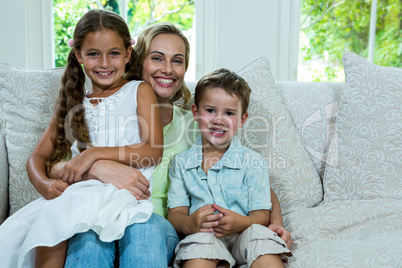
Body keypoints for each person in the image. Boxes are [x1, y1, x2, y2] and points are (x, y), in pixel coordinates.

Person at [36, 21, 291, 266]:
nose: (167, 69)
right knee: (89, 242)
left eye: (177, 60)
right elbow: (58, 160)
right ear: (136, 59)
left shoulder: (200, 123)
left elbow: (246, 177)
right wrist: (94, 165)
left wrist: (274, 224)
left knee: (143, 234)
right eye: (157, 58)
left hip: (156, 226)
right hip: (104, 214)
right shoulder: (111, 112)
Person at [6, 9, 163, 268]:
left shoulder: (139, 90)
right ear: (79, 55)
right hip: (82, 191)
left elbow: (152, 150)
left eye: (113, 53)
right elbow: (38, 156)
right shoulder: (73, 100)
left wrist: (93, 153)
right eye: (93, 54)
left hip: (125, 195)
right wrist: (44, 184)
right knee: (49, 219)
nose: (104, 63)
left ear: (127, 53)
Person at [167, 68, 291, 268]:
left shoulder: (253, 162)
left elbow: (261, 214)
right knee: (199, 246)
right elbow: (175, 214)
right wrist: (189, 223)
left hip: (244, 234)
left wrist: (240, 223)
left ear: (242, 119)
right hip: (205, 237)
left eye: (229, 113)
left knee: (261, 239)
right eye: (210, 110)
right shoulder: (180, 164)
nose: (218, 119)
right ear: (196, 113)